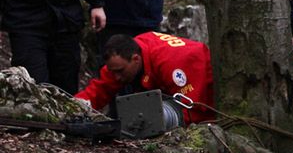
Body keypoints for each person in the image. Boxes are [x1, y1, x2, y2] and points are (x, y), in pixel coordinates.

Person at [76, 32, 214, 123]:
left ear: (136, 59)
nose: (116, 77)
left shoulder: (170, 63)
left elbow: (193, 110)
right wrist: (72, 107)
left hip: (206, 90)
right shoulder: (123, 59)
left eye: (120, 71)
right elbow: (100, 89)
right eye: (113, 72)